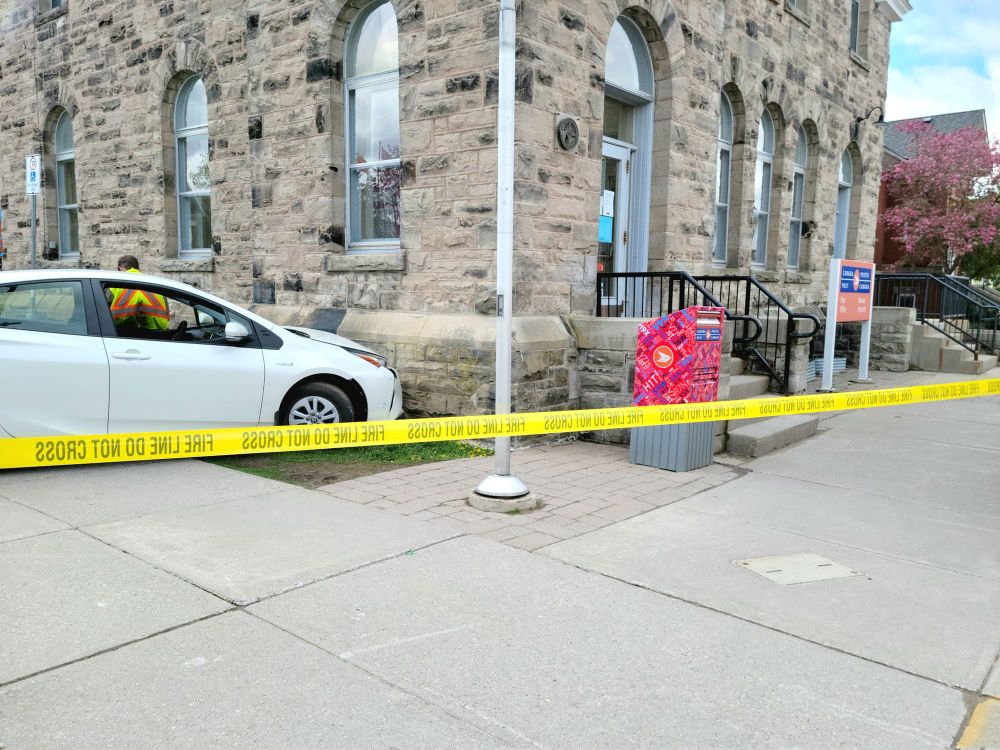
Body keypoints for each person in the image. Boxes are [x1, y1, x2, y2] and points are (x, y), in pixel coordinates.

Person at [107, 255, 170, 333]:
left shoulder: (115, 284)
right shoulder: (155, 283)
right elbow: (167, 312)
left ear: (121, 267)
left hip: (122, 332)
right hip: (160, 332)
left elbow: (104, 309)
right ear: (137, 267)